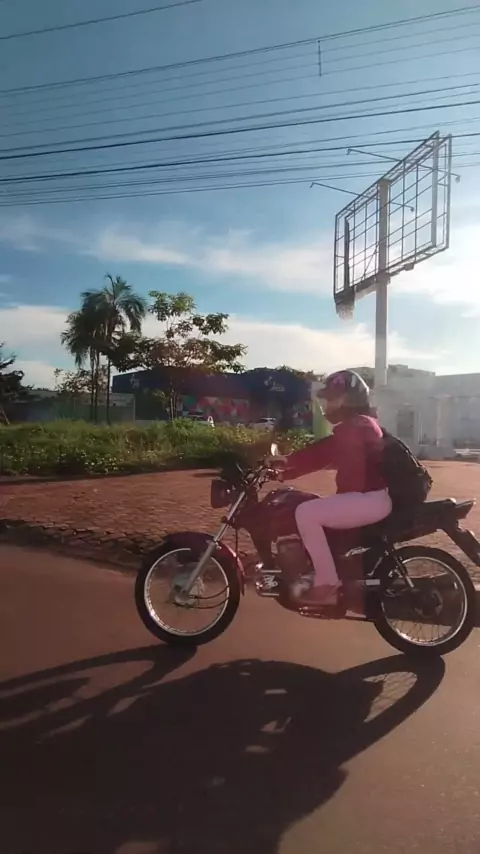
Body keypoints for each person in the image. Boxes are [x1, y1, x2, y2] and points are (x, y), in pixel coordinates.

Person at [271, 370, 392, 607]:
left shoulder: (357, 426)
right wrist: (286, 471)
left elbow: (323, 452)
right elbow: (328, 457)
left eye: (332, 399)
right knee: (312, 505)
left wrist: (287, 462)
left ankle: (327, 583)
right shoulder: (360, 424)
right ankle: (317, 570)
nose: (327, 405)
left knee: (306, 512)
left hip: (368, 499)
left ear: (348, 399)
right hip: (367, 498)